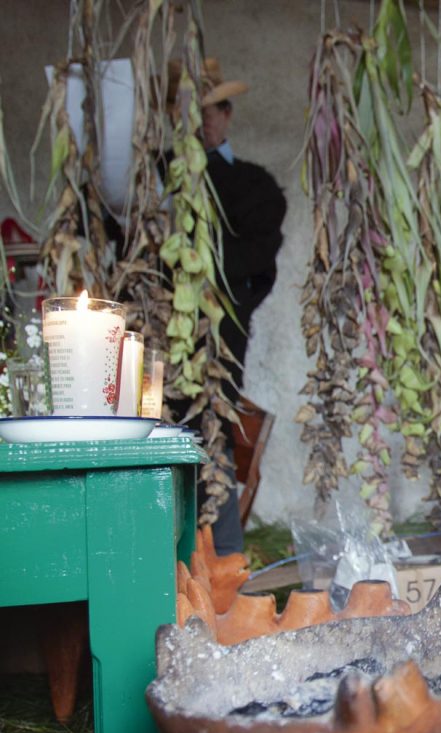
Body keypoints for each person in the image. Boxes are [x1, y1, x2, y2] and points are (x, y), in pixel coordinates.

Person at [167, 58, 287, 556]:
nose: (205, 119)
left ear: (228, 115)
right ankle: (175, 553)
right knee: (168, 428)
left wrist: (219, 294)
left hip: (223, 334)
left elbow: (260, 260)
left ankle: (222, 559)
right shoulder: (162, 177)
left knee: (212, 424)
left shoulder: (254, 185)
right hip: (167, 332)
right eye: (195, 110)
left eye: (214, 110)